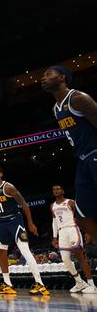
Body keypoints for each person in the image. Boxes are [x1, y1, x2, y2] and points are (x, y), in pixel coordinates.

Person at [42, 66, 97, 242]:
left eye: (48, 74)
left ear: (62, 77)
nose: (43, 77)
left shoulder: (78, 98)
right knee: (81, 217)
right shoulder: (56, 109)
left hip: (95, 152)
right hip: (82, 161)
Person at [0, 166, 49, 295]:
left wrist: (30, 223)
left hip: (15, 221)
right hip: (1, 223)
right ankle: (8, 284)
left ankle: (40, 284)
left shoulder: (9, 187)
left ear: (1, 174)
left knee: (24, 250)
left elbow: (24, 204)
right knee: (1, 251)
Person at [50, 185, 97, 293]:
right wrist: (54, 237)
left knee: (80, 257)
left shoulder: (70, 202)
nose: (56, 191)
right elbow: (54, 222)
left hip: (72, 229)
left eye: (58, 189)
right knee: (65, 260)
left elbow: (81, 216)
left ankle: (92, 285)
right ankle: (79, 282)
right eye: (54, 190)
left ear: (62, 191)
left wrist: (87, 231)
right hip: (62, 232)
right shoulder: (52, 206)